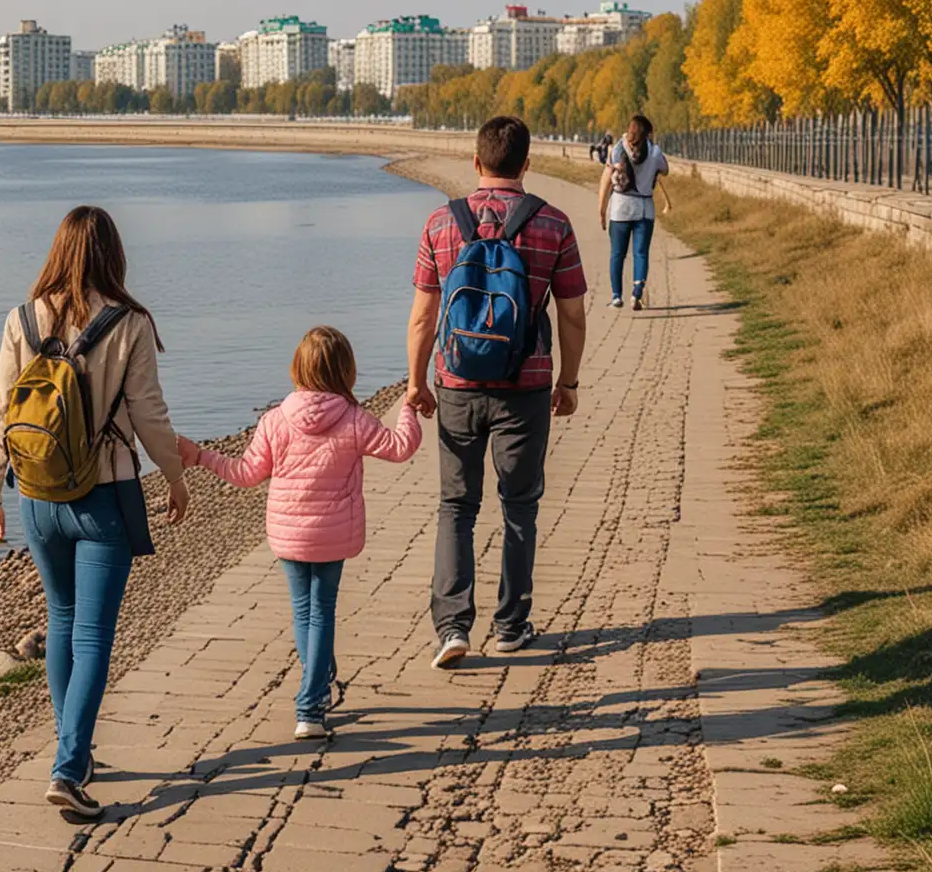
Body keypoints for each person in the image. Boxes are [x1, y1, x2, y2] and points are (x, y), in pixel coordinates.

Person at [0, 205, 189, 820]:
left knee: (63, 619)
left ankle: (74, 748)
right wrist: (175, 477)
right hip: (103, 497)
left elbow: (0, 411)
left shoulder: (21, 318)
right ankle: (69, 768)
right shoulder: (128, 324)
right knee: (94, 632)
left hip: (38, 499)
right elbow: (149, 415)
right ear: (113, 256)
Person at [177, 327, 419, 740]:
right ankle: (310, 706)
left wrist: (200, 456)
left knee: (303, 611)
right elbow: (401, 447)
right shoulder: (354, 419)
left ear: (298, 368)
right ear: (346, 371)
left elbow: (247, 473)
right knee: (322, 610)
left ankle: (318, 683)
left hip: (288, 535)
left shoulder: (275, 420)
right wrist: (409, 407)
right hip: (333, 534)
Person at [406, 115, 588, 664]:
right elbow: (574, 314)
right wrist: (568, 381)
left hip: (457, 382)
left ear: (476, 162)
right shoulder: (553, 224)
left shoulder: (441, 223)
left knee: (456, 506)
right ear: (527, 164)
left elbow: (423, 316)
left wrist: (417, 382)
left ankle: (453, 628)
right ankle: (512, 625)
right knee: (519, 506)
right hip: (526, 384)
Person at [599, 113, 672, 311]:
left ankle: (616, 296)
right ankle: (637, 292)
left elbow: (606, 180)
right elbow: (665, 169)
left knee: (617, 254)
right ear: (648, 133)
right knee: (641, 253)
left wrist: (601, 209)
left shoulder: (615, 150)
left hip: (620, 208)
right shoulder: (655, 152)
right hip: (644, 209)